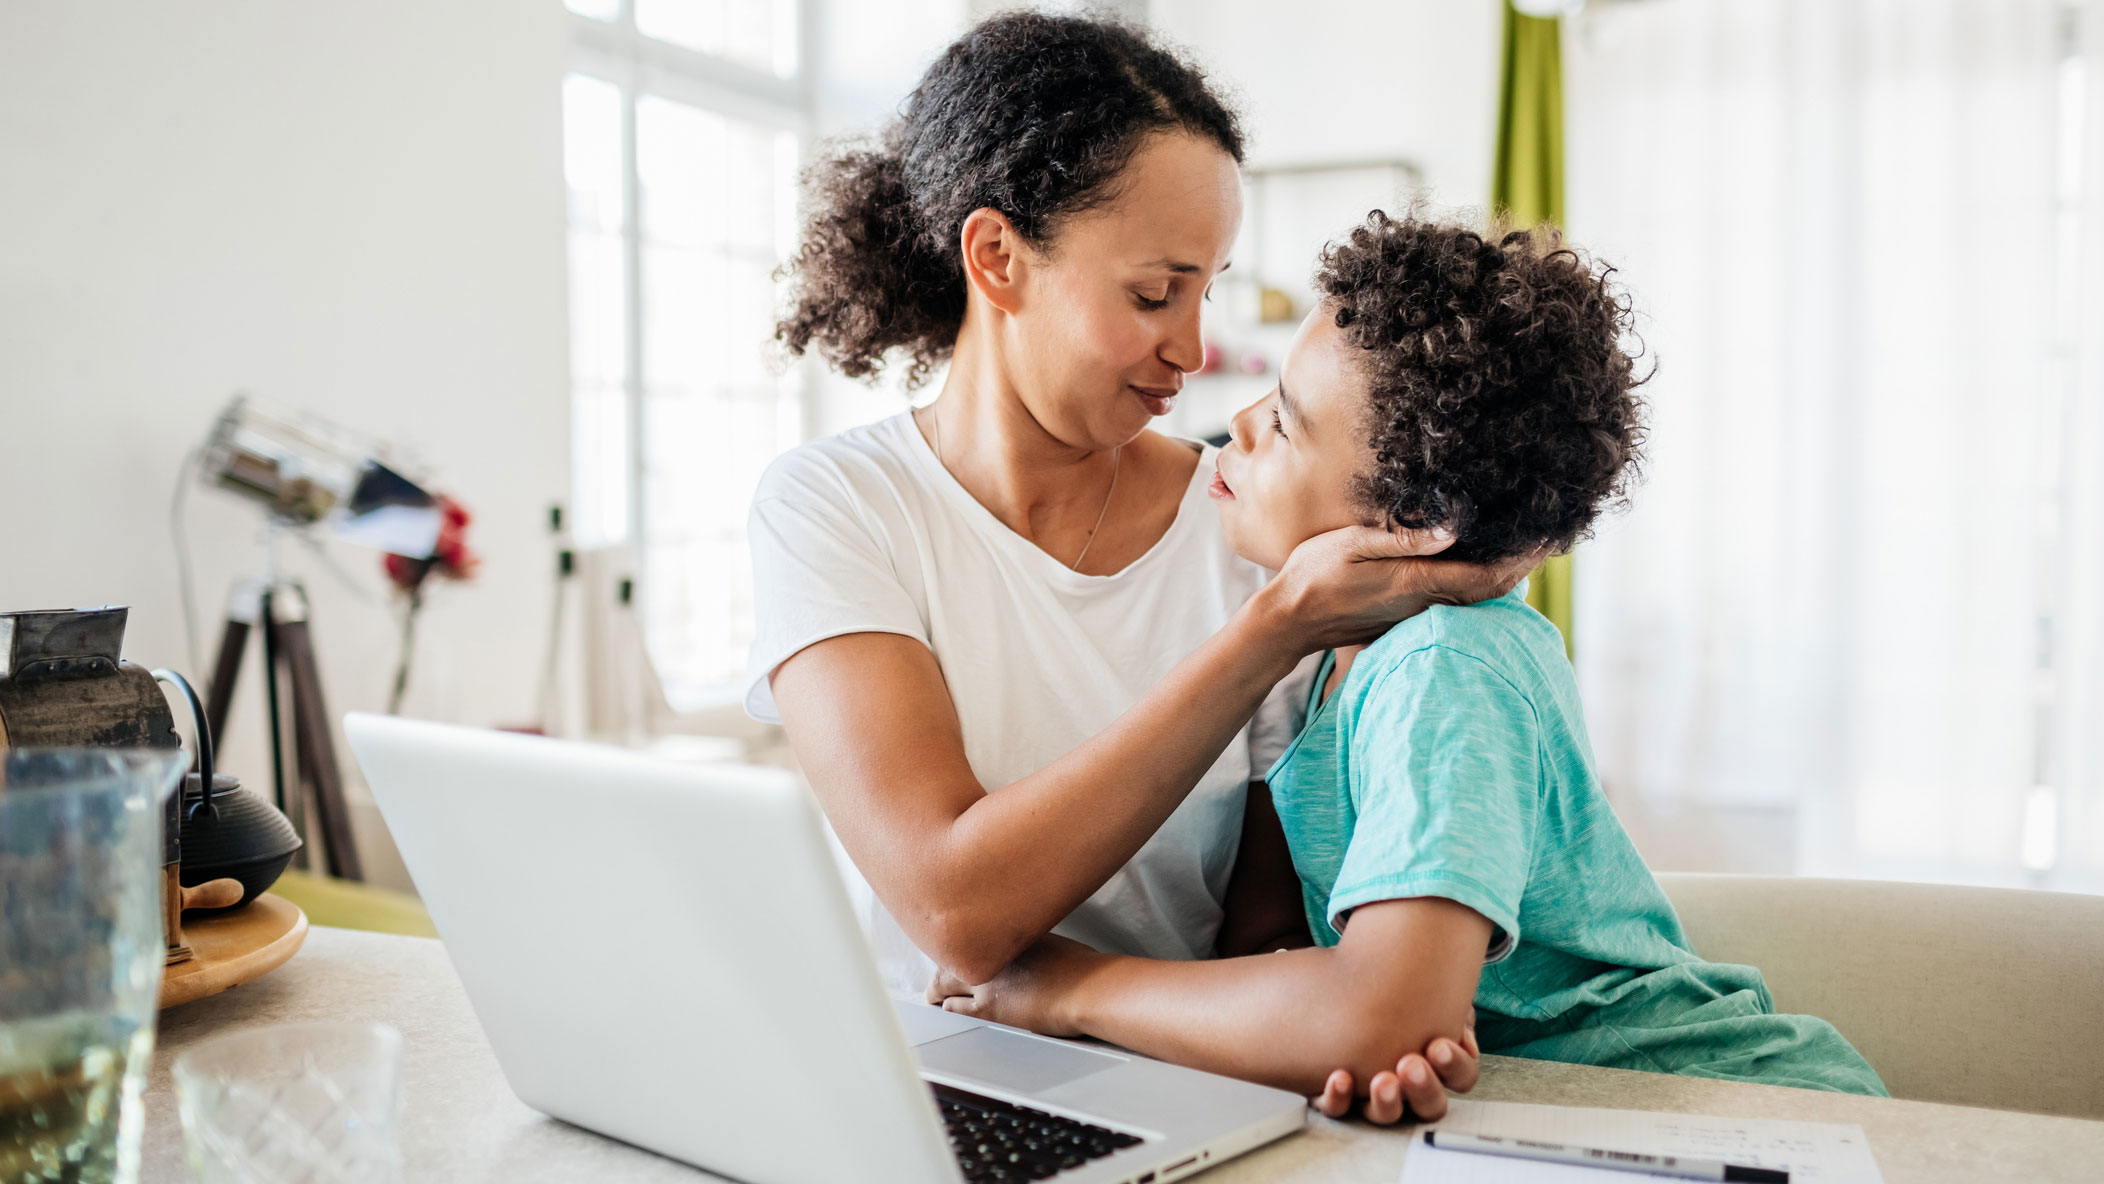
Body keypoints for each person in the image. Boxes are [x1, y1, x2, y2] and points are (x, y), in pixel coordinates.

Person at [749, 13, 1525, 1121]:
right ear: (997, 259)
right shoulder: (835, 507)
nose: (1195, 349)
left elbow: (1264, 927)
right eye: (1156, 293)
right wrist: (1265, 637)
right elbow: (954, 911)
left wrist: (1346, 1040)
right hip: (919, 1080)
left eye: (1207, 290)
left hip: (1179, 1085)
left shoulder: (1254, 525)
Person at [928, 213, 1889, 1099]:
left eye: (1290, 421)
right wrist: (1341, 1026)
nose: (1243, 426)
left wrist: (1067, 987)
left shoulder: (1445, 669)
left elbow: (1378, 1017)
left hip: (1724, 1111)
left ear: (1416, 522)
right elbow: (1316, 981)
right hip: (1547, 1118)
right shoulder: (1339, 663)